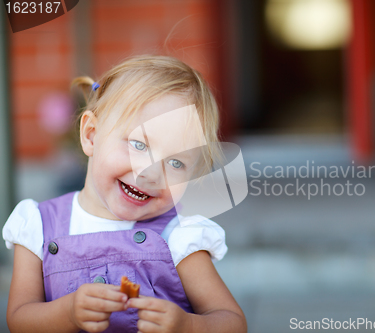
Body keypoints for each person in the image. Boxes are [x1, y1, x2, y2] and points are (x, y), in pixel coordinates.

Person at [2, 55, 247, 333]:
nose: (151, 174)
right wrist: (68, 313)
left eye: (176, 163)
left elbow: (232, 321)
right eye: (138, 145)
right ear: (91, 135)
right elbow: (19, 319)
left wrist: (187, 325)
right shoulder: (38, 225)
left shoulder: (178, 237)